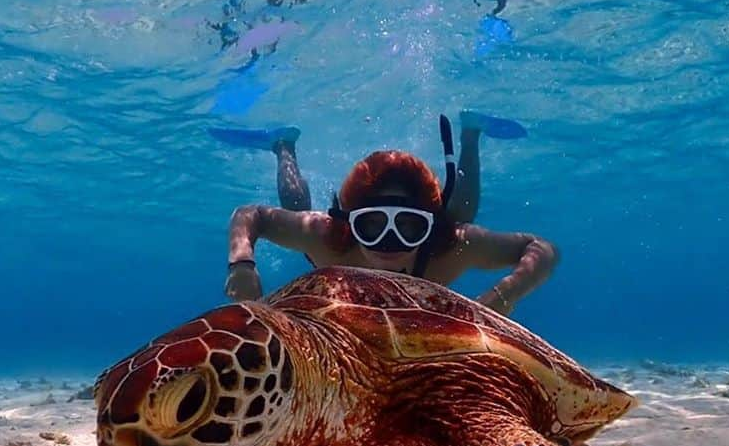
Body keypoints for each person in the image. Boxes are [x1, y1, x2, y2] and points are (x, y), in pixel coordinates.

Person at [210, 112, 558, 317]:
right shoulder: (326, 236)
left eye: (409, 226)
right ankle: (283, 147)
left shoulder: (451, 247)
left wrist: (501, 298)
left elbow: (541, 248)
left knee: (460, 213)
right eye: (371, 225)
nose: (389, 242)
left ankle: (470, 133)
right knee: (296, 212)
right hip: (332, 241)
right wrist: (242, 263)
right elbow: (251, 214)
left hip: (442, 229)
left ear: (428, 226)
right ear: (349, 222)